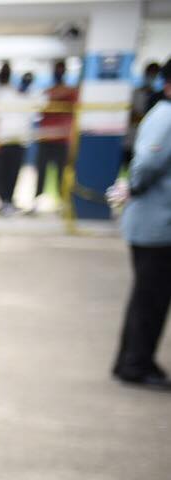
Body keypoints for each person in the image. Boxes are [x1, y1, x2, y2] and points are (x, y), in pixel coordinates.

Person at [113, 76, 171, 389]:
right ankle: (135, 364)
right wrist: (134, 186)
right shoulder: (167, 116)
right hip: (157, 225)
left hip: (157, 224)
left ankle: (134, 360)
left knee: (150, 299)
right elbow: (147, 163)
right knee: (150, 299)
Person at [0, 63, 33, 212]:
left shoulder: (29, 98)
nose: (26, 83)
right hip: (3, 140)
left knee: (13, 173)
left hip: (19, 142)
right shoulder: (5, 94)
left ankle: (8, 201)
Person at [35, 59, 79, 206]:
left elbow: (75, 107)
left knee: (62, 173)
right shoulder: (46, 91)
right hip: (46, 138)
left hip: (63, 139)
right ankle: (37, 200)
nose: (59, 73)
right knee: (41, 171)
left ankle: (62, 202)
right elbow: (40, 105)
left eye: (61, 69)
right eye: (57, 69)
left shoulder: (72, 92)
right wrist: (56, 94)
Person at [126, 61, 162, 169]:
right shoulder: (134, 93)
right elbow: (129, 115)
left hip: (147, 142)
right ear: (145, 74)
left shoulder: (158, 98)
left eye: (155, 74)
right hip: (130, 139)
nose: (152, 77)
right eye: (150, 74)